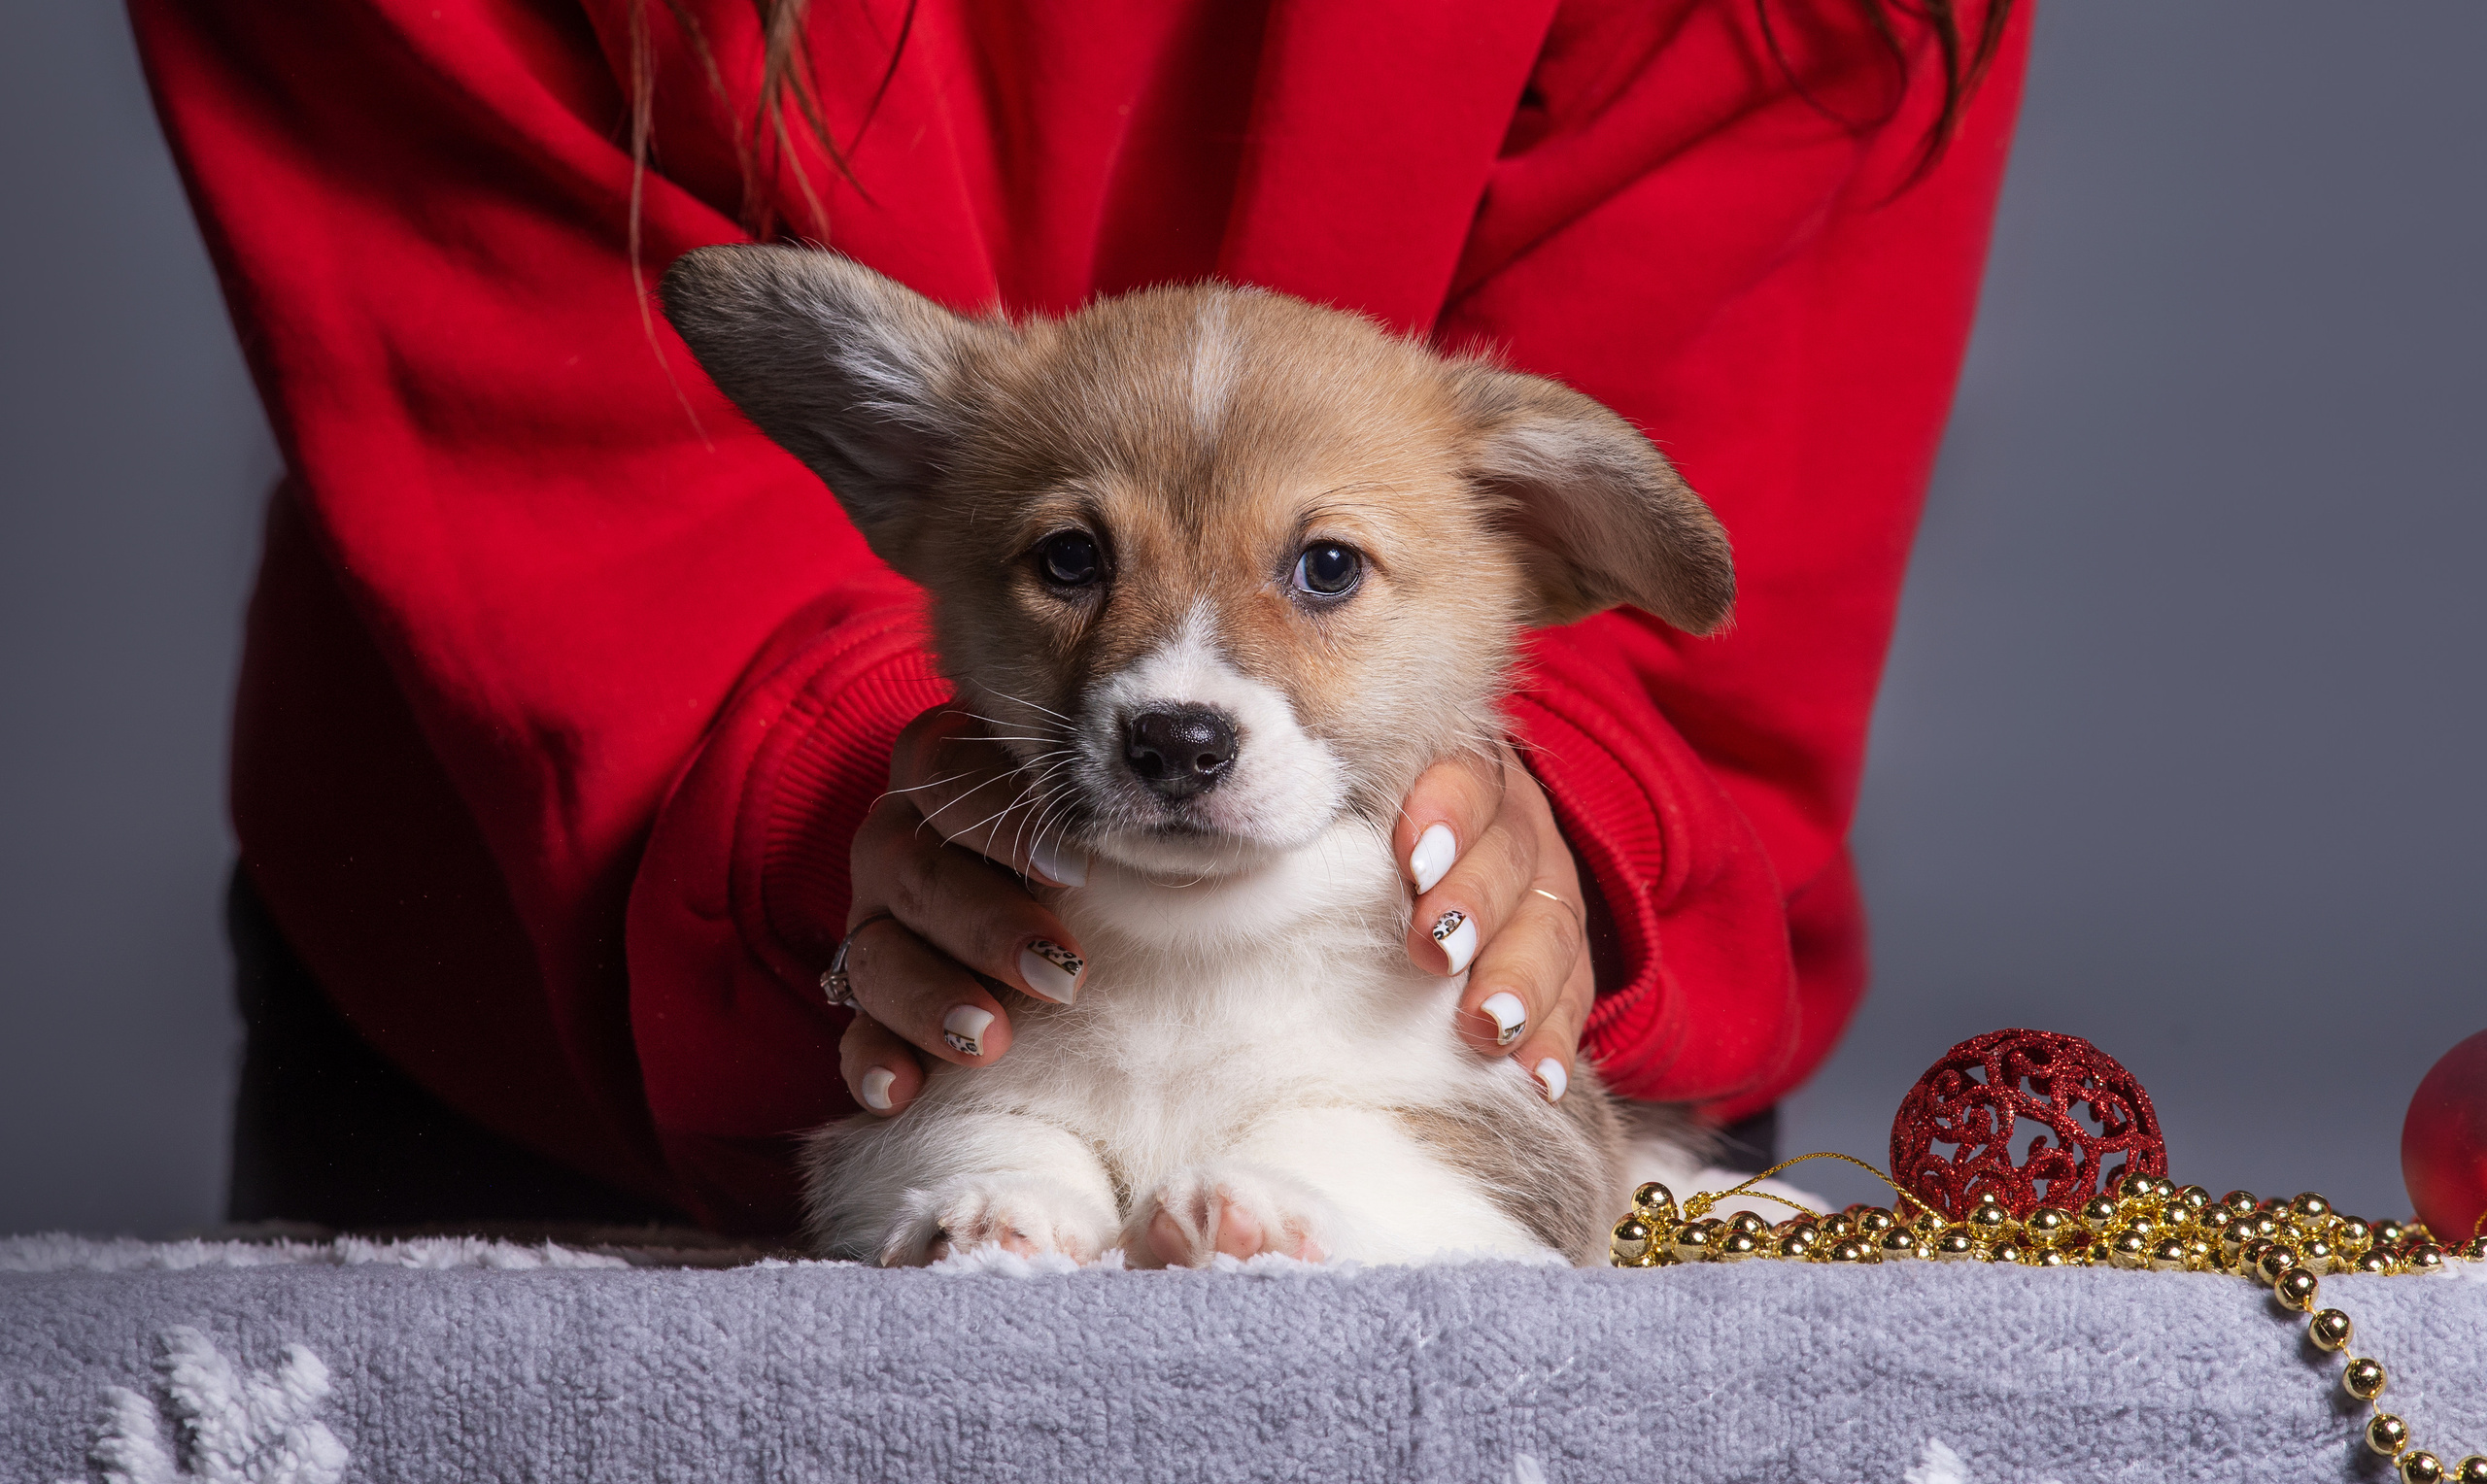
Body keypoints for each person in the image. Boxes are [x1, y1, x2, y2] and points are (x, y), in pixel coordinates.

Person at [132, 0, 2027, 1235]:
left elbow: (1724, 436)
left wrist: (1570, 810)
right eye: (1075, 559)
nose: (1185, 673)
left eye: (1314, 575)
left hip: (1449, 1066)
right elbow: (533, 340)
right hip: (574, 976)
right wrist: (826, 790)